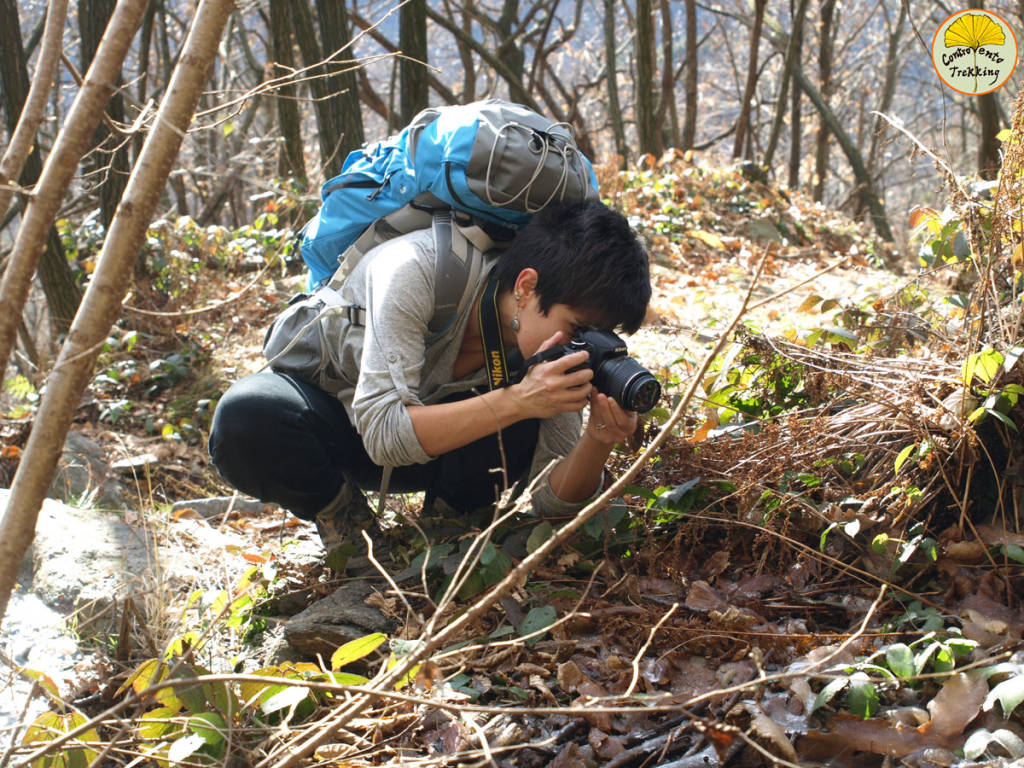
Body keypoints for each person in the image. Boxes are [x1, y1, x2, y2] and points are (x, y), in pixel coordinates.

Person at [208, 199, 651, 561]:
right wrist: (518, 400)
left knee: (525, 412)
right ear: (526, 286)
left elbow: (551, 502)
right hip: (343, 428)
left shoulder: (545, 347)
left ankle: (446, 536)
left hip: (436, 453)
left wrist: (598, 439)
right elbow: (383, 435)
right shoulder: (417, 269)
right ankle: (349, 529)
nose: (579, 345)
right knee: (247, 415)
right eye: (577, 328)